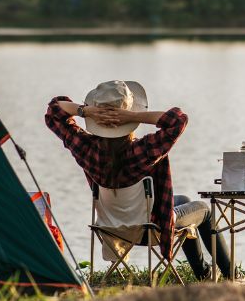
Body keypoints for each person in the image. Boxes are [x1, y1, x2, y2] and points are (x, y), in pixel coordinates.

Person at [44, 80, 234, 281]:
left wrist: (86, 112)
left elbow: (54, 110)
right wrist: (133, 116)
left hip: (111, 229)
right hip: (151, 229)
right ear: (128, 118)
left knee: (184, 199)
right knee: (203, 210)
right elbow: (178, 119)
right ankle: (229, 276)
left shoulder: (85, 148)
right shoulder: (142, 150)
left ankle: (204, 273)